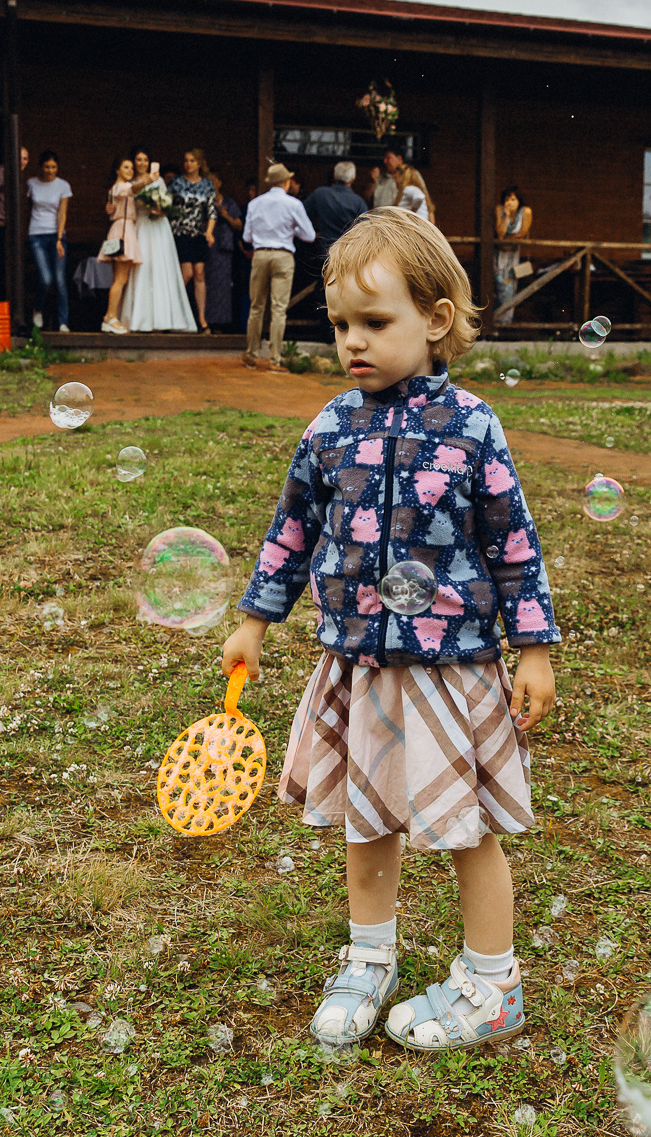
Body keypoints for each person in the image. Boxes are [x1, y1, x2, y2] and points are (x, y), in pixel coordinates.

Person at [221, 207, 558, 1053]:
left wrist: (534, 648)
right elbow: (291, 529)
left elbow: (513, 543)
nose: (353, 341)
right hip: (361, 661)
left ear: (436, 319)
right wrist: (255, 618)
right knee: (366, 818)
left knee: (466, 827)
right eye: (341, 324)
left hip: (453, 664)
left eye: (375, 321)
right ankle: (370, 957)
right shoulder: (331, 426)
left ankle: (493, 983)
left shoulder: (473, 425)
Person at [242, 163, 314, 371]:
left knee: (256, 306)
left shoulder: (255, 204)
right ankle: (274, 359)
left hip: (260, 254)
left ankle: (251, 353)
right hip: (283, 255)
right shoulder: (293, 204)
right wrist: (293, 230)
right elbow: (309, 235)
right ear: (285, 182)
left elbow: (247, 236)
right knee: (279, 309)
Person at [119, 147, 197, 334]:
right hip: (141, 226)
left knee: (161, 268)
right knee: (142, 268)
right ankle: (140, 318)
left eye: (145, 160)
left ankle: (164, 318)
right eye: (139, 159)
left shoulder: (159, 180)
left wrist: (161, 209)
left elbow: (167, 205)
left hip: (159, 227)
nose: (142, 163)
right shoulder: (131, 182)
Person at [298, 159, 368, 319]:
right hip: (349, 257)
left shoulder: (320, 194)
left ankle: (326, 329)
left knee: (325, 294)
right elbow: (366, 231)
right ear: (353, 178)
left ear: (335, 175)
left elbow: (300, 214)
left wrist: (311, 232)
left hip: (324, 254)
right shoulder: (358, 202)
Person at [169, 149, 218, 330]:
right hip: (179, 231)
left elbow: (211, 211)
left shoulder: (206, 185)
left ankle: (201, 318)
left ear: (199, 163)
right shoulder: (176, 183)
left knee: (199, 273)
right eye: (186, 160)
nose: (188, 164)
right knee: (187, 272)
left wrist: (209, 232)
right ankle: (172, 309)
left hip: (198, 233)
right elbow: (166, 204)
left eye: (192, 161)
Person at [24, 149, 71, 332]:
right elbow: (27, 208)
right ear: (41, 167)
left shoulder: (63, 186)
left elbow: (62, 213)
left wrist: (59, 238)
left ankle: (63, 322)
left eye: (53, 167)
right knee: (45, 278)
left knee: (59, 279)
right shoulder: (31, 183)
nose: (50, 170)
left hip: (56, 236)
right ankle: (38, 309)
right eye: (47, 167)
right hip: (36, 234)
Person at [101, 153, 143, 334]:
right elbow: (132, 189)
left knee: (118, 279)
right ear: (117, 170)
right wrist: (148, 180)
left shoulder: (116, 188)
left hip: (119, 229)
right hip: (123, 230)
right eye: (126, 167)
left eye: (131, 168)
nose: (130, 170)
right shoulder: (121, 186)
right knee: (120, 279)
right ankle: (110, 317)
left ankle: (111, 316)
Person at [207, 177, 251, 334]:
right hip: (207, 247)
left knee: (223, 288)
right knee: (207, 285)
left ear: (220, 183)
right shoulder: (204, 200)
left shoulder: (229, 202)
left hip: (224, 250)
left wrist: (225, 215)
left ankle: (221, 324)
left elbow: (238, 224)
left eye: (214, 181)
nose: (212, 185)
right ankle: (206, 322)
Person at [370, 144, 433, 223]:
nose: (385, 161)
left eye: (388, 158)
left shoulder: (409, 186)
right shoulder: (381, 176)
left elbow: (422, 200)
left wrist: (411, 215)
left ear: (399, 158)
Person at [493, 186, 531, 311]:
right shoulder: (500, 209)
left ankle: (505, 320)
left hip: (514, 255)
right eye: (507, 199)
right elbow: (500, 234)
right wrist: (506, 215)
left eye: (513, 199)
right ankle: (497, 319)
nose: (510, 202)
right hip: (498, 256)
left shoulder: (525, 212)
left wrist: (506, 239)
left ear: (519, 201)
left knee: (510, 286)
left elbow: (522, 234)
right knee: (498, 285)